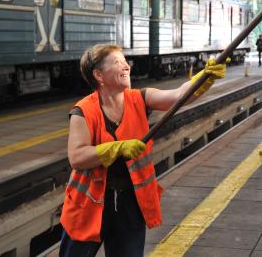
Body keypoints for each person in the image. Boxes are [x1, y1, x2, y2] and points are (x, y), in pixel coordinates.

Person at [59, 44, 226, 257]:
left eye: (124, 61)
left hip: (129, 201)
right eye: (117, 62)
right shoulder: (83, 111)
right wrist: (117, 148)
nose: (126, 66)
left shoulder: (139, 98)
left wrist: (204, 78)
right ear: (98, 75)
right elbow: (77, 157)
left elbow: (178, 96)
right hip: (89, 205)